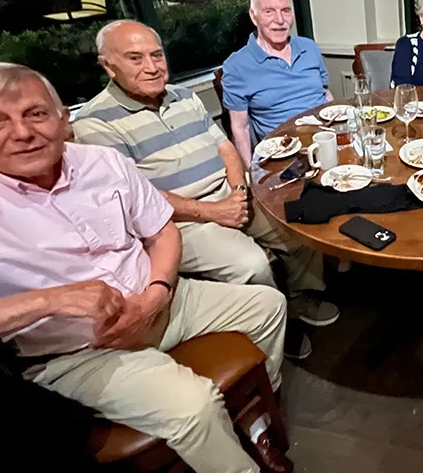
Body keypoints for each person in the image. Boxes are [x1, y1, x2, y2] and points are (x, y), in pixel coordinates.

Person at [0, 62, 292, 473]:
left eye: (35, 113)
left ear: (62, 119)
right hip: (78, 351)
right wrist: (47, 300)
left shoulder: (101, 163)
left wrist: (156, 294)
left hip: (159, 301)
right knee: (194, 407)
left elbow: (163, 230)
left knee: (268, 305)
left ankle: (254, 425)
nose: (21, 132)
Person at [74, 20, 338, 360]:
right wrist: (214, 211)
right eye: (135, 58)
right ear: (108, 66)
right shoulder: (93, 123)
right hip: (176, 220)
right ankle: (277, 321)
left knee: (298, 221)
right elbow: (133, 198)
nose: (152, 67)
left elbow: (226, 147)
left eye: (156, 55)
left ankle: (302, 295)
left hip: (230, 194)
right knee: (250, 263)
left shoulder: (184, 96)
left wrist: (239, 192)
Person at [222, 0, 333, 168]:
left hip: (326, 139)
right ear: (253, 16)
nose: (280, 20)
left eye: (286, 11)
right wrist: (251, 173)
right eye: (269, 12)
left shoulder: (309, 47)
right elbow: (240, 128)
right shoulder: (237, 66)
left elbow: (325, 94)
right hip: (285, 154)